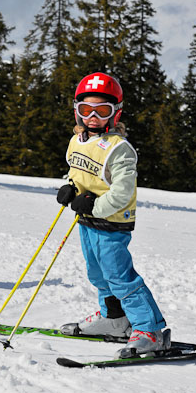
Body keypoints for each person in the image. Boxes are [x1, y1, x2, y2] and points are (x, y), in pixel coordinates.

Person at [56, 72, 170, 358]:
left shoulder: (120, 149)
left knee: (120, 277)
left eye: (102, 110)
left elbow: (121, 193)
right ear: (76, 110)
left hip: (111, 222)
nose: (93, 116)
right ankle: (115, 319)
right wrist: (70, 188)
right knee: (97, 273)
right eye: (86, 109)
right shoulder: (77, 140)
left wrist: (92, 206)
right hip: (86, 220)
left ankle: (150, 330)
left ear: (116, 114)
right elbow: (77, 172)